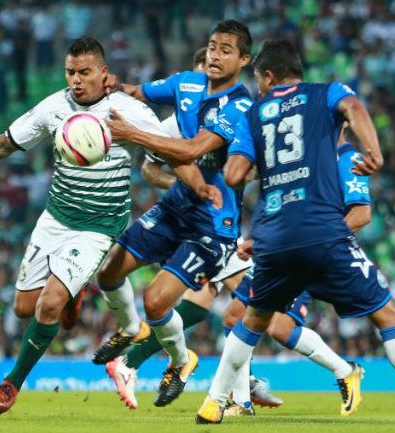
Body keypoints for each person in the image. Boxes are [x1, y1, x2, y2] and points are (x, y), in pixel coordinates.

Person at [0, 36, 217, 415]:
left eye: (84, 72)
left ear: (103, 73)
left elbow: (169, 153)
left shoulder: (127, 111)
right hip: (55, 219)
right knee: (25, 308)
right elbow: (5, 142)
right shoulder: (54, 107)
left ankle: (10, 384)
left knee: (49, 304)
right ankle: (74, 292)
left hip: (99, 226)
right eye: (70, 71)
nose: (76, 79)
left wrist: (201, 186)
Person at [196, 39, 395, 426]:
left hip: (274, 236)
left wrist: (262, 168)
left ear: (269, 77)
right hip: (322, 233)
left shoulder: (254, 113)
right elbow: (354, 108)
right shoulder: (328, 92)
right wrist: (375, 152)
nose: (258, 88)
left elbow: (234, 174)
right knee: (386, 313)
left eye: (258, 81)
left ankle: (213, 402)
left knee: (252, 319)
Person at [103, 46, 281, 411]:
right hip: (193, 222)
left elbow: (251, 168)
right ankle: (239, 389)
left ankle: (235, 386)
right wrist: (186, 184)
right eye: (202, 72)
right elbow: (152, 169)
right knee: (253, 304)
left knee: (210, 304)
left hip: (221, 224)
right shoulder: (176, 123)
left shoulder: (238, 114)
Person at [219, 122, 371, 417]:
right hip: (284, 248)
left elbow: (360, 215)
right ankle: (243, 401)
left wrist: (315, 239)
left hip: (310, 251)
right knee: (253, 321)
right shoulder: (312, 159)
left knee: (262, 323)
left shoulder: (347, 157)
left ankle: (344, 370)